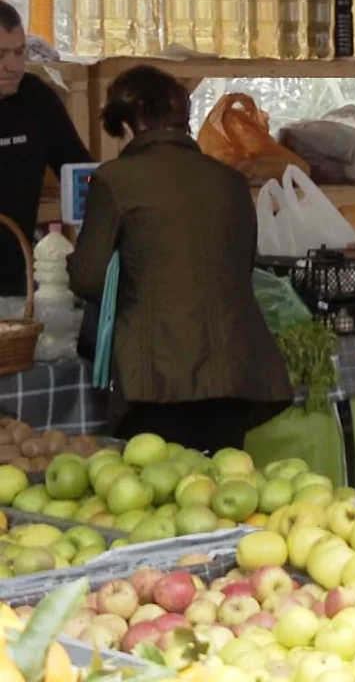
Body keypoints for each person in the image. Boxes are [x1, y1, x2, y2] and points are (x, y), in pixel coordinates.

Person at [67, 65, 293, 453]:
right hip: (235, 372)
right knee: (219, 489)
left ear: (126, 127)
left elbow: (88, 278)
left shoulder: (115, 179)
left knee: (162, 501)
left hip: (157, 378)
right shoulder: (231, 181)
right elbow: (241, 265)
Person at [0, 1, 94, 297]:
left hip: (19, 276)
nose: (13, 66)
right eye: (0, 55)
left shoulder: (37, 98)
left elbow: (80, 170)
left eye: (19, 53)